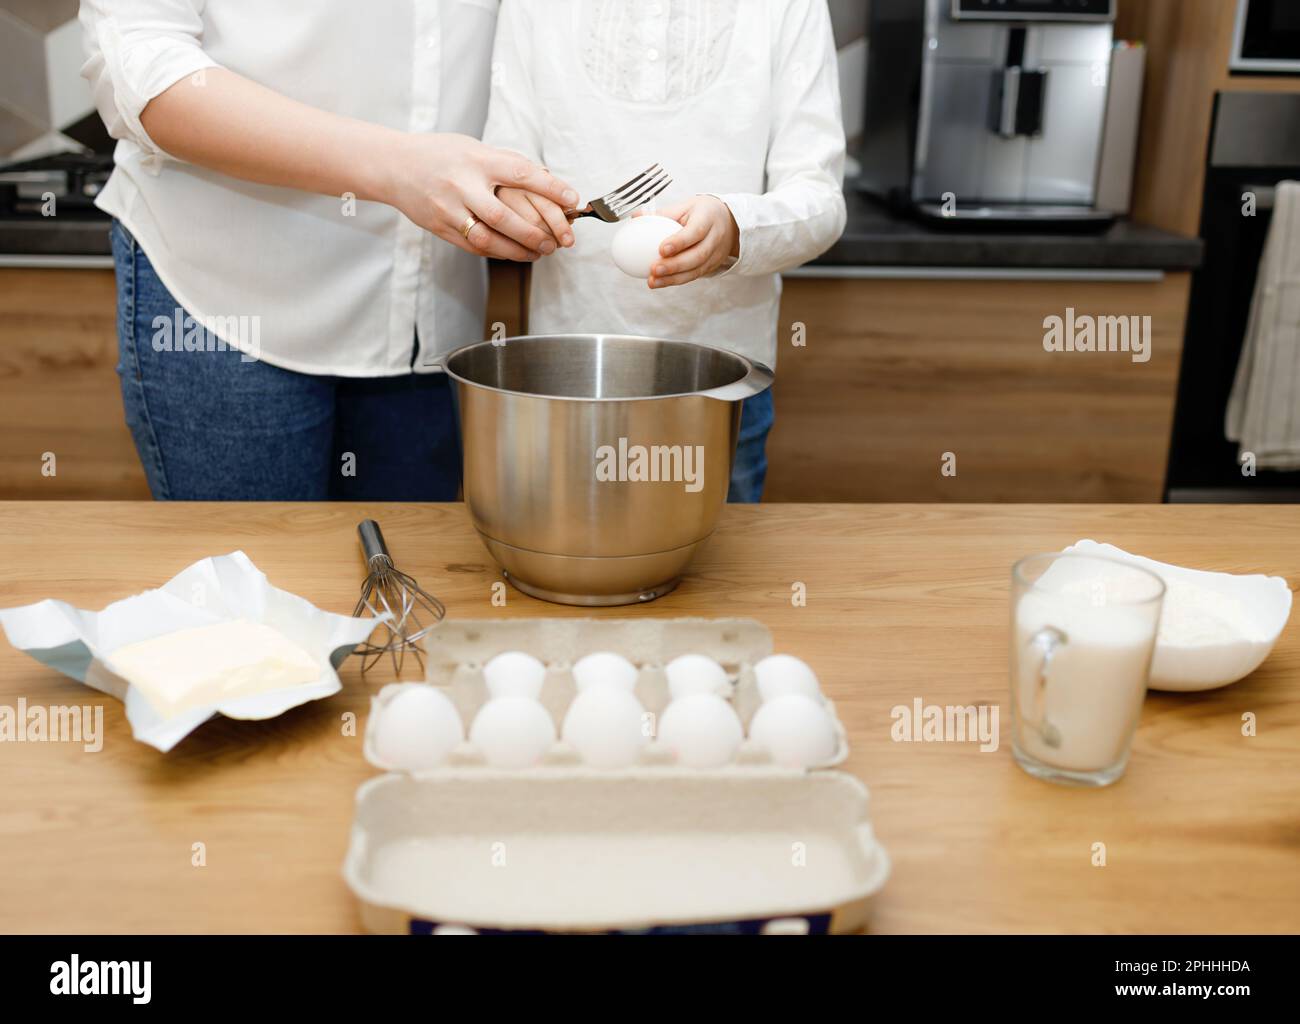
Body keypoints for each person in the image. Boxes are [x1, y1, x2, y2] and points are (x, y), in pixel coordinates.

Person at [79, 0, 578, 501]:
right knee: (246, 574)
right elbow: (140, 67)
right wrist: (398, 168)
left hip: (431, 320)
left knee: (413, 572)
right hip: (227, 305)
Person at [483, 0, 847, 502]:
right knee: (570, 570)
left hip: (722, 389)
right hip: (566, 384)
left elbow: (821, 200)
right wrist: (512, 206)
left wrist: (734, 225)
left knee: (722, 577)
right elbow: (505, 166)